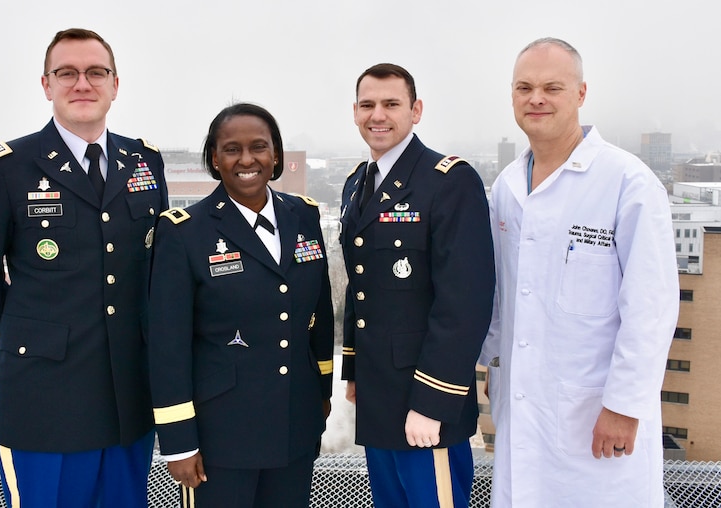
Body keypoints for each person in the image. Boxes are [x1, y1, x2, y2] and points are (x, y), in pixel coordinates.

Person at [0, 28, 167, 508]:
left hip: (129, 402)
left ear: (115, 83)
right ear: (46, 85)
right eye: (67, 73)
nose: (82, 83)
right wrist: (32, 331)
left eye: (95, 72)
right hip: (46, 405)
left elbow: (156, 270)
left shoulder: (143, 161)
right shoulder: (8, 167)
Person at [479, 37, 680, 507]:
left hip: (597, 414)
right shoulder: (506, 186)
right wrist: (491, 360)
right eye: (524, 87)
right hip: (523, 407)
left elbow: (650, 307)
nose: (537, 99)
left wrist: (624, 406)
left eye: (552, 87)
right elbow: (502, 293)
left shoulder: (627, 183)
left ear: (581, 94)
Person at [148, 103, 334, 508]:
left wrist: (322, 392)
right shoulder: (185, 231)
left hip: (296, 426)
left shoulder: (303, 216)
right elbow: (167, 344)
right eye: (232, 149)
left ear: (276, 155)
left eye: (259, 147)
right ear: (215, 159)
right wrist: (178, 441)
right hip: (221, 439)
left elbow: (320, 316)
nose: (247, 159)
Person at [339, 63, 495, 508]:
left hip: (425, 399)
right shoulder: (357, 184)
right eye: (367, 105)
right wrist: (353, 369)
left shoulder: (448, 181)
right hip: (379, 393)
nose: (378, 115)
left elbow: (464, 303)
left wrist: (433, 401)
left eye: (391, 104)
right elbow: (360, 282)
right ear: (355, 112)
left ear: (416, 110)